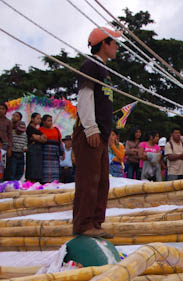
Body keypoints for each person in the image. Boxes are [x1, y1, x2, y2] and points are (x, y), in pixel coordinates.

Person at [72, 26, 121, 238]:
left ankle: (95, 222)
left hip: (101, 133)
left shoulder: (104, 70)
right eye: (114, 42)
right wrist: (90, 127)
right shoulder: (91, 65)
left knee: (101, 181)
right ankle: (83, 224)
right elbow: (85, 97)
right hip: (90, 132)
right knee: (88, 180)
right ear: (104, 44)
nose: (117, 46)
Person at [39, 114, 64, 183]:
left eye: (51, 120)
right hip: (45, 154)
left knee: (55, 170)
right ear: (43, 122)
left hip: (55, 154)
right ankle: (45, 182)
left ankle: (54, 182)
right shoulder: (40, 130)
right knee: (45, 169)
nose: (50, 122)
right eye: (48, 120)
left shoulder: (56, 129)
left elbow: (60, 141)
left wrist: (62, 152)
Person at [25, 113, 46, 183]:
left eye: (40, 118)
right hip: (32, 149)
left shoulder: (38, 129)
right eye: (38, 118)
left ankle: (36, 181)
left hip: (38, 149)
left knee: (37, 166)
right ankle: (30, 182)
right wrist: (40, 137)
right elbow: (35, 137)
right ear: (32, 119)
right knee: (32, 166)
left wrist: (39, 138)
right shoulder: (29, 128)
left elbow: (45, 139)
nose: (39, 120)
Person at [0, 102, 13, 181]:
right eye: (0, 108)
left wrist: (10, 148)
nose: (1, 110)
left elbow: (10, 135)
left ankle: (1, 181)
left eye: (3, 109)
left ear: (6, 111)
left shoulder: (8, 122)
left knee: (2, 164)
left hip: (4, 145)